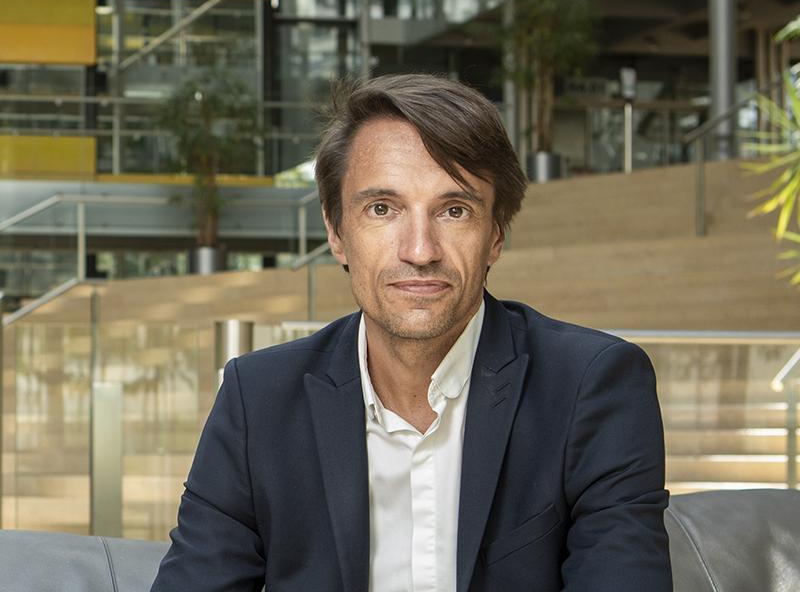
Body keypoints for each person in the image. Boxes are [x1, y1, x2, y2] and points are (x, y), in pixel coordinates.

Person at [150, 73, 672, 592]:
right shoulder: (258, 398)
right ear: (336, 232)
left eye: (454, 210)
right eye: (383, 209)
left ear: (495, 235)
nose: (420, 250)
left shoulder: (591, 386)